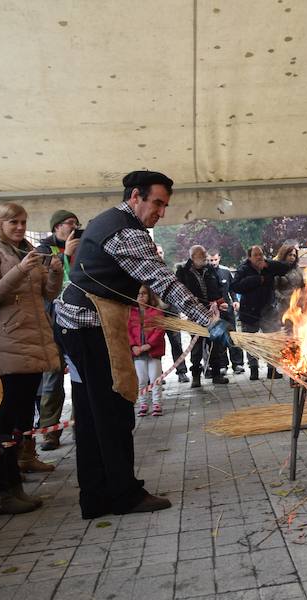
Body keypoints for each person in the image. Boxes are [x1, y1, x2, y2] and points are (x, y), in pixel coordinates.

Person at [55, 170, 219, 519]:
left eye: (165, 205)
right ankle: (124, 495)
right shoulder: (126, 232)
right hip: (91, 329)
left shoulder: (106, 220)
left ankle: (96, 497)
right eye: (157, 202)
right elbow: (164, 282)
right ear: (135, 197)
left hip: (76, 329)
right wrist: (208, 322)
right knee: (113, 411)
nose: (162, 211)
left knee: (90, 414)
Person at [0, 202, 62, 473]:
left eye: (23, 222)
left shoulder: (28, 249)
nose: (20, 227)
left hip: (35, 335)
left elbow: (48, 294)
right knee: (13, 401)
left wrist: (56, 273)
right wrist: (21, 269)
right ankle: (4, 465)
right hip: (9, 337)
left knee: (27, 402)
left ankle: (26, 456)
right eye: (13, 222)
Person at [34, 209, 81, 451]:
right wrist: (66, 256)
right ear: (56, 228)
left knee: (79, 378)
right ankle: (50, 431)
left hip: (77, 323)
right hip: (52, 323)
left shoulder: (81, 247)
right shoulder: (43, 250)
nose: (73, 227)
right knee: (51, 380)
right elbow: (49, 284)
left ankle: (81, 425)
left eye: (75, 223)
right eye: (68, 223)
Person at [230, 245, 293, 380]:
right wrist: (258, 280)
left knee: (272, 340)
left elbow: (285, 268)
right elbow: (235, 286)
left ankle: (272, 369)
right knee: (251, 342)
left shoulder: (268, 265)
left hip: (268, 310)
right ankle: (254, 369)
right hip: (249, 312)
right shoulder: (243, 269)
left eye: (261, 254)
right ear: (249, 257)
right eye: (256, 255)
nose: (259, 257)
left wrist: (269, 265)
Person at [176, 245, 229, 386]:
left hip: (212, 313)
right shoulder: (183, 272)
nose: (205, 257)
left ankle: (216, 375)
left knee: (215, 345)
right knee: (197, 348)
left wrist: (220, 301)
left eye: (205, 254)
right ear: (193, 257)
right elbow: (179, 293)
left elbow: (218, 288)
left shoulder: (210, 269)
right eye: (202, 255)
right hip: (194, 315)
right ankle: (196, 377)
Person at [129, 285, 166, 416]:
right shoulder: (130, 313)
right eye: (138, 294)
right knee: (141, 379)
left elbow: (159, 330)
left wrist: (149, 345)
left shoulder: (156, 311)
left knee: (155, 378)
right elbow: (127, 331)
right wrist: (133, 346)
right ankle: (143, 403)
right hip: (138, 353)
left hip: (153, 352)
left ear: (149, 295)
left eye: (144, 293)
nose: (141, 296)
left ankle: (157, 403)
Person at [208, 250, 245, 375]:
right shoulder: (206, 273)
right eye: (210, 260)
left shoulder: (226, 271)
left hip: (227, 310)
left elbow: (232, 289)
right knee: (219, 338)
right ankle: (223, 365)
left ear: (219, 259)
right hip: (214, 312)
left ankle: (238, 364)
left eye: (215, 260)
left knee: (233, 336)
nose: (213, 262)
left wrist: (235, 301)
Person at [273, 244, 305, 331]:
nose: (292, 257)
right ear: (284, 254)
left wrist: (303, 298)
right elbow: (274, 289)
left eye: (294, 255)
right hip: (284, 308)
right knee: (288, 332)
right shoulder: (277, 269)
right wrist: (283, 298)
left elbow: (303, 286)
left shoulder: (298, 270)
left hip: (298, 306)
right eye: (290, 255)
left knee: (299, 330)